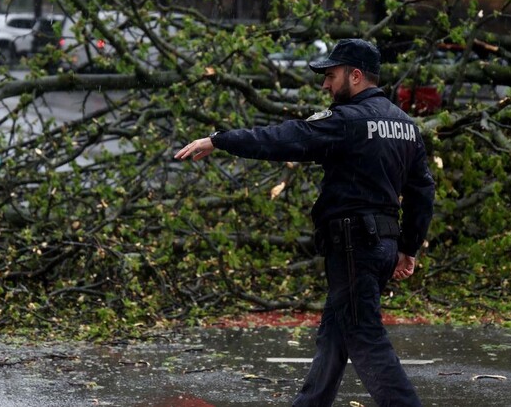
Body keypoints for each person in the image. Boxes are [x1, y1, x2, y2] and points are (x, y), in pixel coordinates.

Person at [174, 38, 435, 407]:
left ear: (355, 75)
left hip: (353, 244)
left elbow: (285, 139)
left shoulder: (347, 121)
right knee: (334, 339)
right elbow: (423, 190)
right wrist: (408, 247)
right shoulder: (405, 126)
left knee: (364, 339)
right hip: (382, 246)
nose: (325, 85)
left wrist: (220, 140)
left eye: (331, 75)